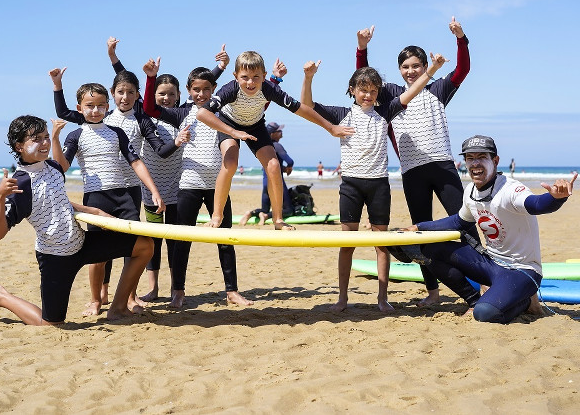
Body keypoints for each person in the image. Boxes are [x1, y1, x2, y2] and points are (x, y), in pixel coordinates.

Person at [0, 115, 153, 325]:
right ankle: (0, 296)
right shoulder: (20, 185)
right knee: (51, 324)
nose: (45, 143)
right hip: (55, 257)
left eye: (46, 137)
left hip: (81, 243)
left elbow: (57, 202)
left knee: (144, 246)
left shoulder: (53, 168)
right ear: (19, 146)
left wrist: (93, 211)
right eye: (36, 139)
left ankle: (119, 307)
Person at [301, 54, 446, 312]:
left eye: (372, 90)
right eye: (362, 90)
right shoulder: (341, 114)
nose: (367, 95)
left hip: (379, 185)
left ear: (378, 92)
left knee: (381, 245)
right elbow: (306, 105)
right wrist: (308, 77)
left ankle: (382, 298)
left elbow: (412, 91)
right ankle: (342, 299)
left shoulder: (385, 111)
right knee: (347, 245)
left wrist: (432, 69)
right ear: (352, 90)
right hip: (351, 186)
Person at [356, 18, 470, 306]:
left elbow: (463, 69)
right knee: (421, 230)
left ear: (424, 66)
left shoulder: (439, 89)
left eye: (416, 66)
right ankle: (432, 292)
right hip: (412, 172)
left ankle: (479, 281)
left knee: (465, 225)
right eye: (405, 67)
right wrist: (362, 48)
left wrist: (460, 39)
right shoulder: (393, 94)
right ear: (399, 70)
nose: (411, 71)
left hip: (443, 168)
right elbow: (363, 78)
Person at [405, 135, 577, 323]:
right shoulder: (471, 191)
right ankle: (473, 300)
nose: (475, 163)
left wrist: (556, 198)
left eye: (482, 157)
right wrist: (419, 227)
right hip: (490, 264)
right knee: (430, 249)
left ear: (495, 161)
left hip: (521, 271)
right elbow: (459, 222)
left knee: (485, 314)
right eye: (470, 158)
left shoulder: (510, 190)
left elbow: (536, 204)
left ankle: (526, 302)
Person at [107, 38, 219, 302]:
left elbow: (203, 90)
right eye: (161, 93)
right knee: (153, 242)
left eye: (171, 93)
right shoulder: (145, 115)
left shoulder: (181, 113)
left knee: (177, 241)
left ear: (179, 96)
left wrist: (219, 68)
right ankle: (153, 288)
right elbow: (126, 85)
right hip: (151, 188)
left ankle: (176, 289)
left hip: (178, 187)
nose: (166, 97)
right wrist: (114, 58)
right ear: (152, 96)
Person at [196, 51, 355, 231]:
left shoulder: (269, 89)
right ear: (236, 76)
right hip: (228, 124)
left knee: (273, 165)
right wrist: (234, 132)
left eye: (256, 77)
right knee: (231, 163)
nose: (250, 82)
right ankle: (217, 216)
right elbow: (202, 113)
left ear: (264, 76)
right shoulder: (230, 89)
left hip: (255, 125)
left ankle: (278, 219)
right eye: (245, 77)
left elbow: (300, 109)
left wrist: (331, 127)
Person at [49, 70, 164, 316]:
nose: (95, 111)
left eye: (101, 106)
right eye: (90, 106)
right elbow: (62, 167)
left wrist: (153, 190)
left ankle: (127, 298)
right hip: (95, 198)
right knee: (98, 256)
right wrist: (55, 139)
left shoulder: (116, 132)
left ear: (107, 106)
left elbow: (136, 163)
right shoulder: (76, 134)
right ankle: (95, 300)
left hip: (122, 197)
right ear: (80, 108)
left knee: (139, 245)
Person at [143, 58, 254, 309]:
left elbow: (247, 93)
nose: (201, 94)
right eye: (196, 89)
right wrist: (151, 78)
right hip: (189, 185)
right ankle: (178, 291)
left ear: (213, 90)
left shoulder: (224, 114)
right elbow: (150, 108)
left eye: (206, 89)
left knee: (225, 240)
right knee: (182, 241)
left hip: (218, 187)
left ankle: (232, 291)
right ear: (189, 91)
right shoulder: (182, 113)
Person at [238, 121, 295, 226]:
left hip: (265, 182)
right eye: (279, 131)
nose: (281, 132)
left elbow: (273, 166)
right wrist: (289, 168)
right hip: (277, 183)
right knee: (288, 209)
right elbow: (290, 161)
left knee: (264, 208)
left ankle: (250, 213)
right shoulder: (277, 146)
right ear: (272, 134)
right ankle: (266, 216)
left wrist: (283, 169)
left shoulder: (265, 147)